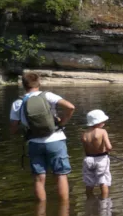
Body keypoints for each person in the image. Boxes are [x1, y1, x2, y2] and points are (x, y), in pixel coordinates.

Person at [9, 72, 75, 202]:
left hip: (34, 143)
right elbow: (71, 107)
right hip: (55, 139)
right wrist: (62, 122)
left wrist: (17, 132)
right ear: (39, 83)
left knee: (39, 179)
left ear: (23, 85)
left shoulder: (18, 103)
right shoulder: (48, 96)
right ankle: (64, 209)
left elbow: (13, 128)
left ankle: (41, 211)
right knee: (61, 175)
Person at [81, 109, 113, 200]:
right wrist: (108, 149)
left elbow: (86, 149)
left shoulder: (84, 134)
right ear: (99, 122)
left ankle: (89, 201)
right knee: (103, 181)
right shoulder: (102, 132)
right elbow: (109, 147)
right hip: (101, 159)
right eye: (103, 121)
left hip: (88, 160)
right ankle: (104, 202)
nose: (104, 122)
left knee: (89, 183)